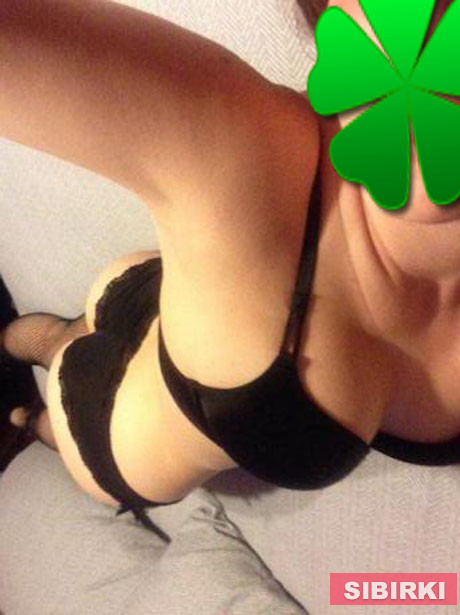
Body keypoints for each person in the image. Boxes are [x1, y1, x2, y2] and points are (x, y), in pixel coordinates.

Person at [2, 0, 460, 527]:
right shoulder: (249, 146)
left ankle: (33, 406)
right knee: (51, 364)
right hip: (106, 428)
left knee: (36, 401)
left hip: (171, 302)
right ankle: (43, 369)